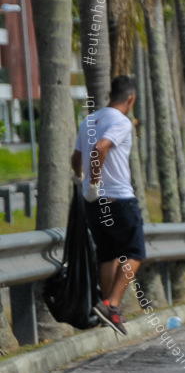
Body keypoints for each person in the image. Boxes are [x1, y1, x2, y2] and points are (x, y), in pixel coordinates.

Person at [71, 76, 142, 336]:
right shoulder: (121, 121)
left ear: (110, 94)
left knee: (107, 254)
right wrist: (95, 183)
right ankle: (111, 304)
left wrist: (83, 181)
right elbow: (101, 148)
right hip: (119, 199)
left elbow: (76, 158)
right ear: (130, 99)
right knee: (134, 253)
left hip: (95, 204)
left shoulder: (89, 120)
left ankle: (105, 311)